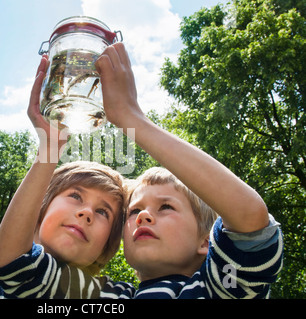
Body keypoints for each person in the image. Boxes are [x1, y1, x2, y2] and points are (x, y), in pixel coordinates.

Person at [95, 42, 283, 298]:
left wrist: (131, 118)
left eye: (166, 207)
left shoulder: (223, 285)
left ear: (206, 241)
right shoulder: (104, 295)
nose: (143, 217)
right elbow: (22, 267)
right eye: (134, 210)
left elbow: (250, 219)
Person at [0, 56, 135, 299]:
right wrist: (50, 149)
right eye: (75, 196)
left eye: (104, 212)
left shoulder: (117, 297)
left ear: (109, 245)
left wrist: (134, 118)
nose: (87, 213)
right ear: (40, 207)